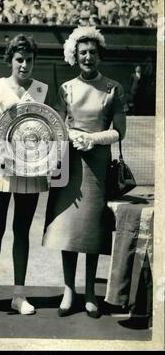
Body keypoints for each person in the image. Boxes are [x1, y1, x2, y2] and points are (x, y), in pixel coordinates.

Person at [42, 27, 127, 318]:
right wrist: (72, 135)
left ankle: (90, 290)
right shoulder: (66, 88)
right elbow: (55, 124)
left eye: (92, 52)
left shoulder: (114, 88)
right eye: (82, 53)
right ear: (75, 57)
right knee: (68, 228)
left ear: (99, 55)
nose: (88, 57)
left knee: (92, 228)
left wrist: (93, 138)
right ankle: (69, 290)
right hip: (68, 161)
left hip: (98, 164)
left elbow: (120, 132)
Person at [0, 34, 48, 315]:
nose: (25, 65)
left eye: (29, 60)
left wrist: (46, 160)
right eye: (20, 59)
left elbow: (47, 131)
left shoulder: (42, 90)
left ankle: (19, 295)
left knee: (22, 232)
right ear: (10, 60)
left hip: (31, 171)